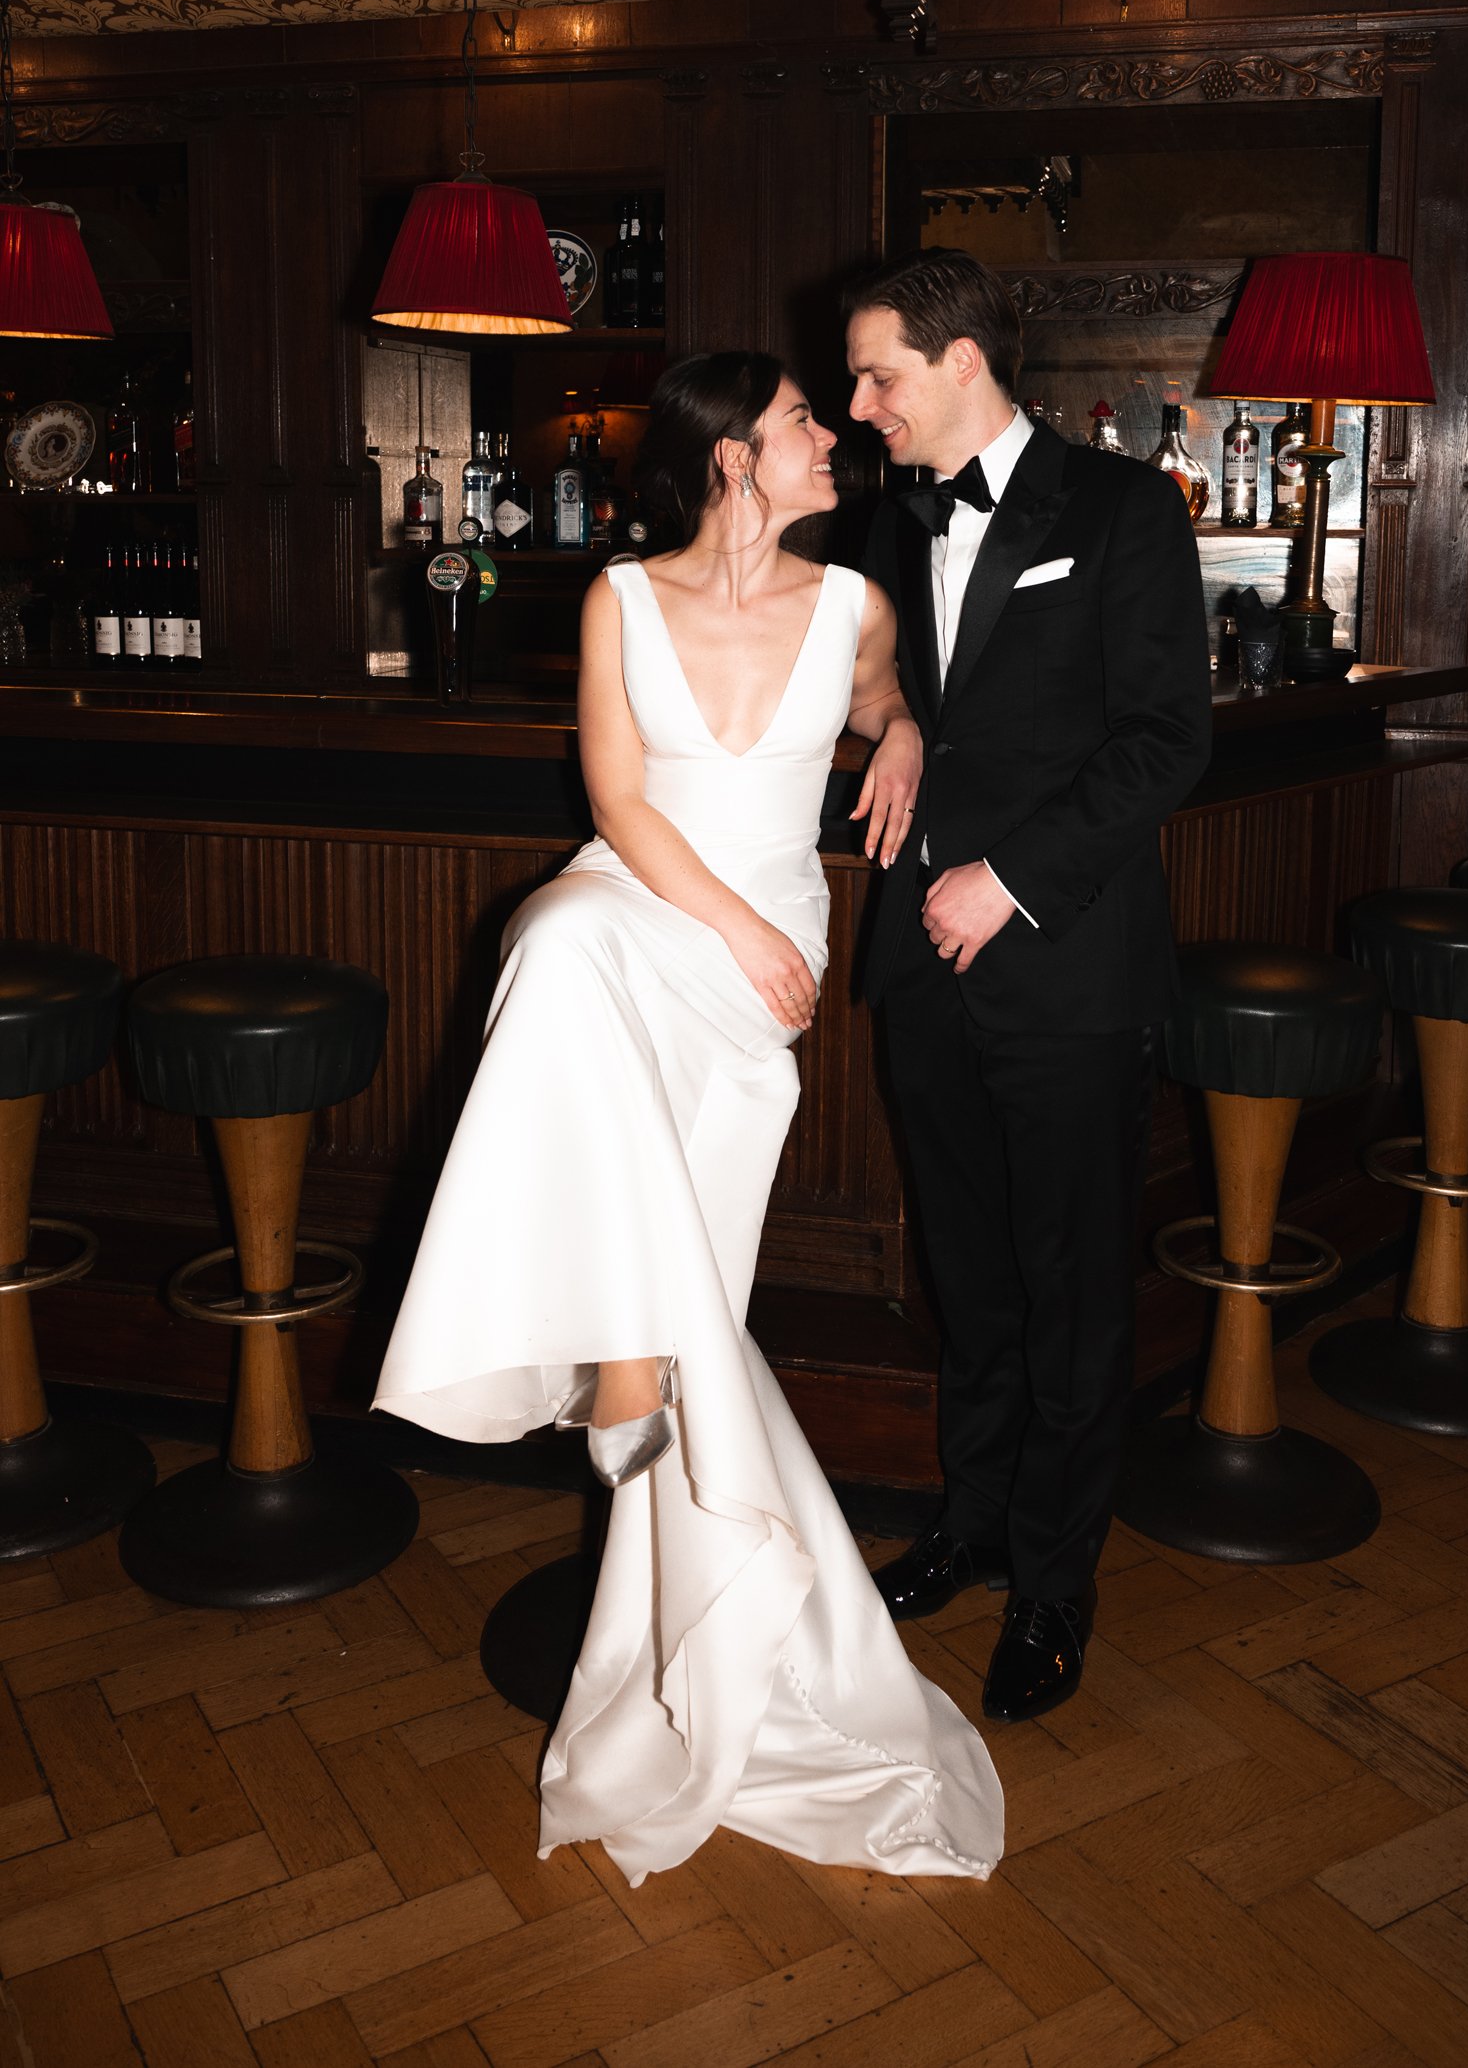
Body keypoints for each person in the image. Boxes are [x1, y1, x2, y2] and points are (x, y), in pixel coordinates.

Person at [374, 351, 1002, 1888]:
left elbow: (885, 704)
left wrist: (905, 736)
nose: (832, 439)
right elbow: (619, 794)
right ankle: (619, 1361)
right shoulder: (618, 601)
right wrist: (729, 926)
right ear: (734, 458)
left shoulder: (854, 601)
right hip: (658, 902)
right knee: (559, 942)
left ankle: (684, 1572)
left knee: (697, 1278)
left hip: (759, 953)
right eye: (802, 423)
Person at [848, 250, 1212, 1722]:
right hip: (925, 976)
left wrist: (1010, 879)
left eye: (879, 373)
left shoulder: (1121, 510)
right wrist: (892, 730)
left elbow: (1163, 741)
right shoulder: (891, 513)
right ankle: (975, 1520)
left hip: (1064, 967)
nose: (864, 402)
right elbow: (876, 678)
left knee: (1071, 1295)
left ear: (962, 366)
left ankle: (1057, 1585)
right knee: (970, 1273)